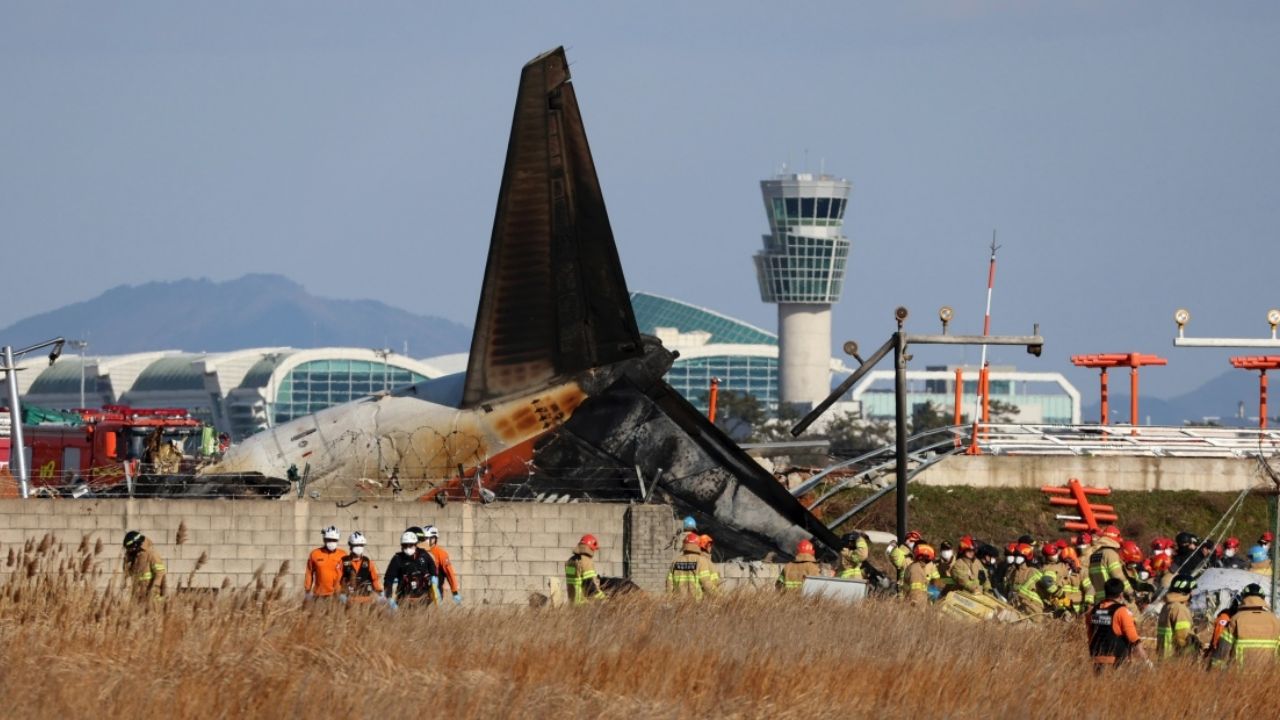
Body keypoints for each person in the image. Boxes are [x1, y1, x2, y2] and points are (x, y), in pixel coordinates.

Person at [1212, 583, 1280, 669]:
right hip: (1269, 677)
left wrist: (1214, 670)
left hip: (1240, 678)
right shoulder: (1275, 621)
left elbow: (1222, 650)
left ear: (1243, 598)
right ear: (1263, 599)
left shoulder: (1235, 619)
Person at [1086, 578, 1148, 670]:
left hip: (1096, 659)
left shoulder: (1093, 610)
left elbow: (1090, 635)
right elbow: (1133, 639)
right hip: (1116, 661)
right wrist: (1146, 661)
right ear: (1121, 595)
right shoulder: (1121, 611)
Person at [384, 530, 439, 608]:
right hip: (403, 600)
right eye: (405, 545)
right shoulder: (397, 559)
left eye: (410, 545)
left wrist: (434, 579)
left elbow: (433, 568)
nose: (408, 548)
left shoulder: (423, 555)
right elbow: (388, 579)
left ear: (416, 544)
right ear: (401, 546)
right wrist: (388, 597)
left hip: (424, 599)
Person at [1156, 574, 1200, 660]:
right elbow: (1183, 638)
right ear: (1185, 591)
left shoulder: (1167, 606)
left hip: (1164, 657)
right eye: (1190, 590)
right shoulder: (1179, 609)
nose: (1192, 593)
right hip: (1176, 659)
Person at [668, 531, 718, 599]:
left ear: (684, 545)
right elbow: (706, 583)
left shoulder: (675, 562)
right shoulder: (701, 561)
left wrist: (669, 600)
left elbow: (669, 584)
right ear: (697, 545)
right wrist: (719, 596)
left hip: (679, 603)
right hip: (695, 604)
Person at [1088, 526, 1132, 601]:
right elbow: (1117, 575)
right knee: (1133, 611)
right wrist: (1130, 591)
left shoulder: (1095, 554)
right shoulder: (1110, 553)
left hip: (1098, 598)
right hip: (1112, 597)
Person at [304, 525, 347, 601]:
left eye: (334, 540)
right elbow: (309, 573)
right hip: (319, 595)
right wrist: (307, 590)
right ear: (324, 539)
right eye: (329, 539)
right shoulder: (315, 554)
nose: (331, 542)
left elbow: (348, 574)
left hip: (338, 595)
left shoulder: (343, 554)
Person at [421, 525, 461, 605]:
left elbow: (449, 573)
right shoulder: (419, 552)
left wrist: (454, 592)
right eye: (423, 539)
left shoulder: (441, 554)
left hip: (435, 592)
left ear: (434, 539)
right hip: (420, 592)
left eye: (426, 538)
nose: (424, 541)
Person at [339, 531, 383, 604]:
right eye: (356, 545)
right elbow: (337, 579)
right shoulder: (343, 561)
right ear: (350, 545)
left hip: (366, 598)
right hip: (349, 598)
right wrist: (340, 593)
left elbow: (375, 579)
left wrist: (379, 591)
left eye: (361, 545)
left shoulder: (368, 562)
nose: (358, 547)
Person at [122, 530, 166, 599]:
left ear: (136, 545)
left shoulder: (151, 554)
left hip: (151, 595)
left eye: (130, 548)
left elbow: (160, 573)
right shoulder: (134, 556)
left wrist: (154, 588)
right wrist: (126, 561)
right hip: (137, 595)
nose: (128, 551)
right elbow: (128, 573)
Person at [565, 534, 606, 604]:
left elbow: (578, 579)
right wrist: (604, 598)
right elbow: (590, 587)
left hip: (572, 603)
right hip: (583, 604)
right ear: (591, 548)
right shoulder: (585, 561)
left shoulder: (570, 561)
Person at [1010, 543, 1045, 618]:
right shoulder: (1014, 572)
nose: (1016, 558)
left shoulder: (1032, 571)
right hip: (1017, 606)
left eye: (1019, 556)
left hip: (1032, 608)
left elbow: (1043, 589)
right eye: (1015, 556)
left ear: (1026, 557)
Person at [1036, 542, 1071, 616]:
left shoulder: (1058, 564)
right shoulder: (1049, 569)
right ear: (1046, 556)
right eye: (1052, 555)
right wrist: (1060, 594)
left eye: (1055, 554)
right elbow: (1047, 582)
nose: (1055, 556)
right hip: (1054, 601)